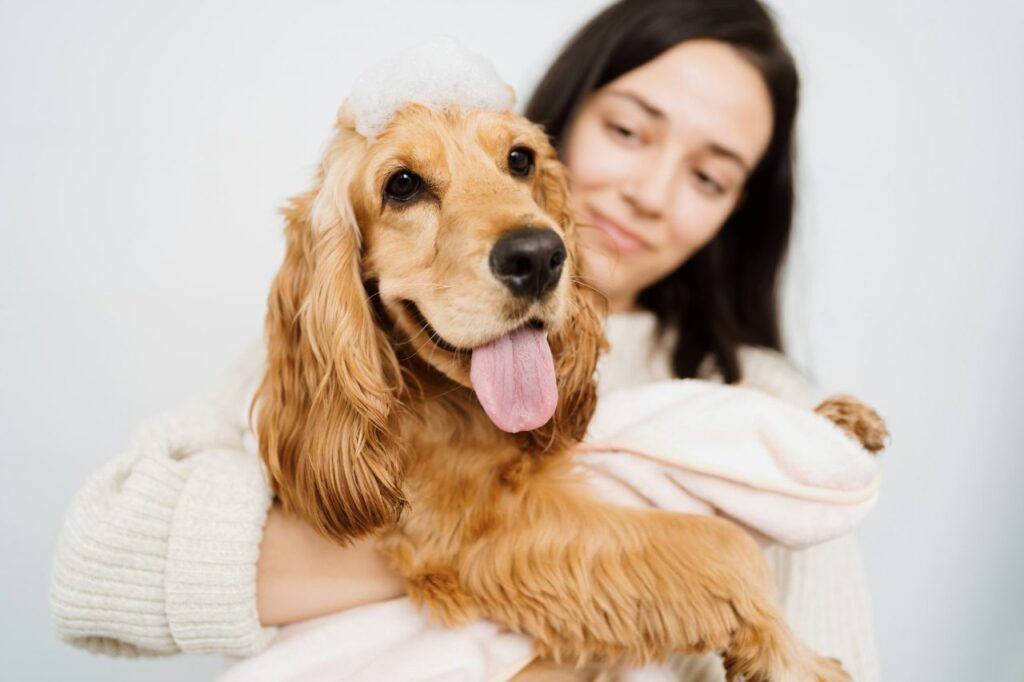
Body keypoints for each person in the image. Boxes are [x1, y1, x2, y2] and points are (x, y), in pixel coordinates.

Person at [49, 0, 880, 679]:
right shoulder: (340, 336)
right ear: (575, 105)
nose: (650, 193)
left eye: (709, 175)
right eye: (628, 131)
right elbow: (92, 568)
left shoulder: (779, 405)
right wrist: (463, 542)